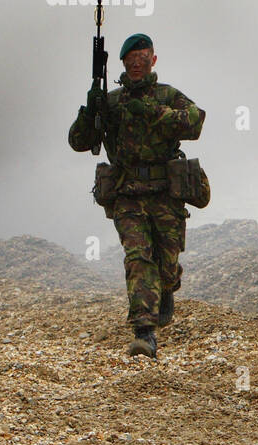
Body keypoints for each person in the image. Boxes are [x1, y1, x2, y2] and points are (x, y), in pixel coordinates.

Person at [68, 33, 206, 358]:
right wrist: (90, 111)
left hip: (165, 194)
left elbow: (195, 122)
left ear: (153, 61)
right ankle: (145, 333)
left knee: (167, 264)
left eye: (142, 60)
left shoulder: (167, 95)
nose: (136, 66)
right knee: (138, 257)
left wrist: (153, 112)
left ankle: (167, 287)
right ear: (123, 65)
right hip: (128, 194)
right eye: (130, 62)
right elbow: (78, 141)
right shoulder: (113, 102)